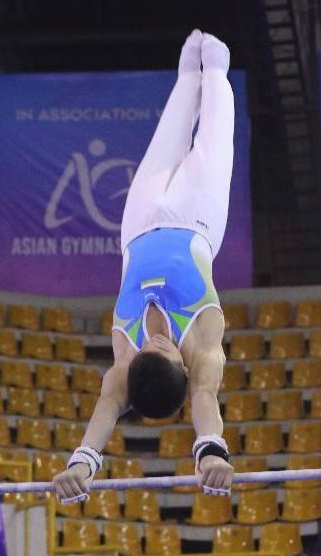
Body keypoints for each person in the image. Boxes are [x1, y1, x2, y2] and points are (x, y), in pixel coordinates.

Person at [53, 29, 235, 504]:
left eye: (144, 351)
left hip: (136, 225)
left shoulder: (123, 368)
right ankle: (215, 67)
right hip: (198, 216)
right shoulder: (203, 344)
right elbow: (204, 398)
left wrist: (81, 464)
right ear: (184, 362)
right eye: (165, 349)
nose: (152, 341)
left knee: (171, 127)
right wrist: (211, 452)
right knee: (215, 117)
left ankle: (186, 75)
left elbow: (104, 413)